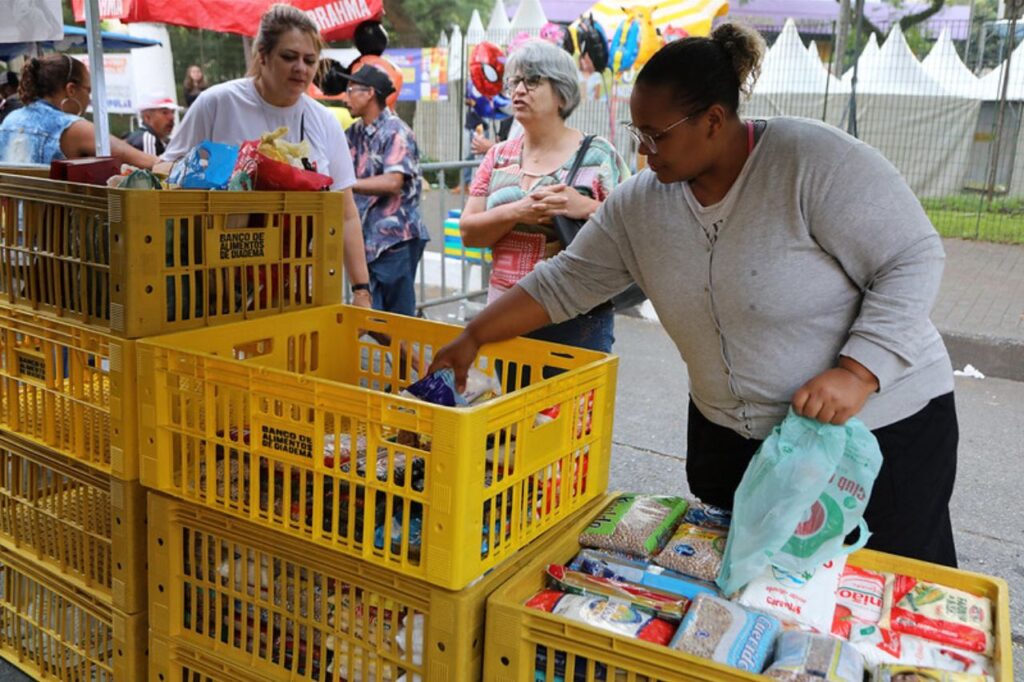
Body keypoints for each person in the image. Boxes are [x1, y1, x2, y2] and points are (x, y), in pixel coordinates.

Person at [431, 24, 959, 568]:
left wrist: (859, 371)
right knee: (757, 594)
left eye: (657, 135)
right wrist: (474, 335)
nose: (645, 151)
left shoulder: (811, 161)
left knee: (889, 586)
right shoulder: (641, 205)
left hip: (878, 432)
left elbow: (912, 256)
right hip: (739, 441)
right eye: (638, 134)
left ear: (713, 119)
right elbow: (565, 280)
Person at [160, 4, 372, 307]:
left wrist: (362, 290)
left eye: (309, 60)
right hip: (211, 284)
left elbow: (347, 212)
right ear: (262, 56)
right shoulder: (217, 103)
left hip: (293, 290)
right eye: (289, 57)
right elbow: (167, 171)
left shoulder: (323, 122)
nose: (301, 68)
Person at [458, 38, 629, 354]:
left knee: (573, 405)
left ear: (562, 94)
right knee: (513, 403)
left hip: (578, 319)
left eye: (533, 81)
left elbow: (633, 229)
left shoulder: (598, 155)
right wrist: (517, 212)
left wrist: (585, 206)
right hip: (505, 317)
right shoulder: (497, 157)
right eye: (515, 81)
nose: (519, 90)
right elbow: (469, 233)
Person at [342, 64, 429, 316]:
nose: (346, 97)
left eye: (350, 90)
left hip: (396, 240)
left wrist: (347, 184)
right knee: (371, 316)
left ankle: (414, 357)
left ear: (369, 93)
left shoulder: (396, 132)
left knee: (395, 320)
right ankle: (415, 358)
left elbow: (393, 182)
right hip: (364, 240)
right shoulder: (354, 133)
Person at [0, 54, 156, 168]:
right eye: (88, 90)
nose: (89, 99)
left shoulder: (9, 121)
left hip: (11, 213)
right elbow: (139, 159)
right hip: (56, 213)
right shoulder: (71, 127)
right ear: (71, 90)